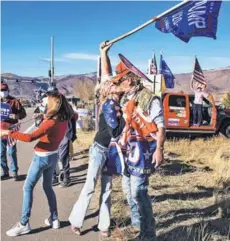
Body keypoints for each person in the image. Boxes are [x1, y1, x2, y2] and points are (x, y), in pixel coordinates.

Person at [101, 41, 165, 241]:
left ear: (129, 80)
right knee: (129, 191)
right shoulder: (125, 98)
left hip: (144, 151)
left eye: (121, 81)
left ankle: (149, 234)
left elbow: (161, 126)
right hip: (129, 151)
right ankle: (139, 225)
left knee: (139, 191)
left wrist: (160, 149)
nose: (117, 85)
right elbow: (107, 78)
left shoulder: (148, 99)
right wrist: (104, 53)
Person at [69, 42, 126, 239]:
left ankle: (104, 225)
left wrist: (105, 52)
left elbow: (107, 71)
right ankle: (76, 221)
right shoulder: (106, 98)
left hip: (113, 151)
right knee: (90, 185)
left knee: (108, 189)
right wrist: (103, 52)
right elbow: (106, 73)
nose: (116, 84)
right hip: (99, 148)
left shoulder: (125, 101)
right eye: (116, 83)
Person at [1, 92, 73, 237]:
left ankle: (23, 223)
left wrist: (9, 132)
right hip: (53, 156)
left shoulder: (50, 123)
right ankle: (54, 218)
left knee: (28, 187)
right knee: (47, 187)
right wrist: (43, 117)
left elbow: (29, 137)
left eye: (47, 103)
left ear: (53, 105)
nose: (45, 105)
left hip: (41, 158)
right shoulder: (63, 119)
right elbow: (49, 126)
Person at [0, 82, 27, 180]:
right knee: (1, 152)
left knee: (11, 152)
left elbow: (23, 113)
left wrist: (17, 116)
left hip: (12, 129)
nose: (3, 92)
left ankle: (14, 171)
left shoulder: (15, 102)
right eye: (1, 90)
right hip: (1, 130)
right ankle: (5, 172)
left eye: (4, 90)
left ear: (8, 90)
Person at [53, 107, 78, 187]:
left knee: (63, 157)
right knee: (52, 157)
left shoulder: (66, 107)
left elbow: (74, 117)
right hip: (53, 136)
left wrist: (71, 135)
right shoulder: (49, 107)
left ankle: (66, 178)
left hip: (64, 135)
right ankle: (53, 177)